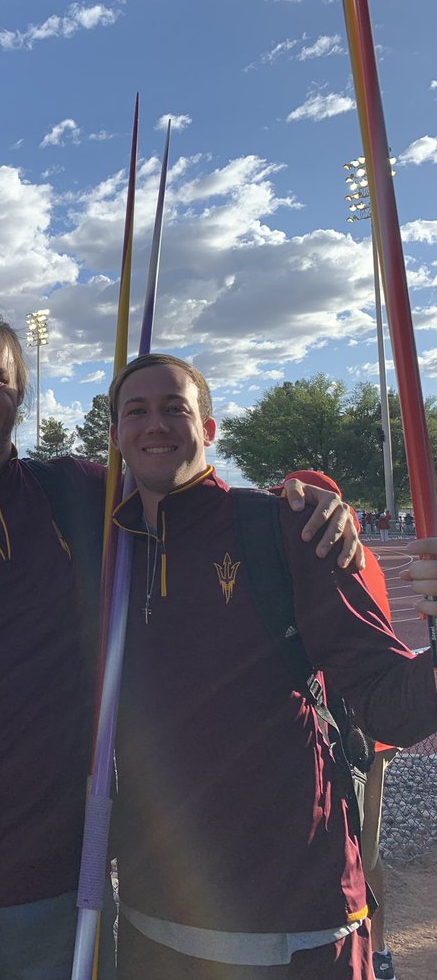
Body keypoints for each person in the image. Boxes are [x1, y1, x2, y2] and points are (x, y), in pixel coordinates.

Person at [0, 307, 362, 980]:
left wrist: (310, 494)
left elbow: (189, 489)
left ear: (19, 390)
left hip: (56, 890)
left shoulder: (76, 497)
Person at [107, 354, 437, 980]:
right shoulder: (107, 543)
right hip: (155, 927)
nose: (155, 425)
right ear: (117, 437)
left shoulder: (285, 525)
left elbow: (386, 696)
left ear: (208, 429)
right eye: (136, 411)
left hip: (297, 928)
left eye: (175, 407)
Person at [284, 472, 400, 980]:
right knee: (365, 849)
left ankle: (364, 949)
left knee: (351, 849)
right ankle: (381, 951)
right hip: (373, 727)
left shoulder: (332, 556)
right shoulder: (358, 552)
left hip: (348, 729)